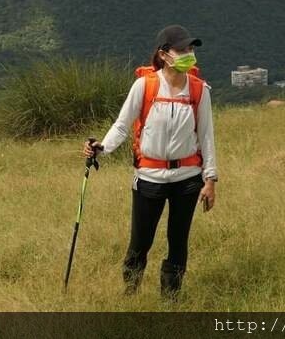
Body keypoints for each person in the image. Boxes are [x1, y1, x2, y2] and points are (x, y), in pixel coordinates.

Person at [83, 24, 218, 300]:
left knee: (178, 242)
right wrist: (101, 148)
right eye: (182, 49)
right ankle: (129, 293)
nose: (189, 54)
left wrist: (210, 179)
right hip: (149, 179)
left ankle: (171, 300)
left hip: (188, 180)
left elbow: (206, 136)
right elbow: (122, 126)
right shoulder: (145, 85)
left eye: (191, 49)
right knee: (140, 243)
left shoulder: (199, 90)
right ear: (164, 54)